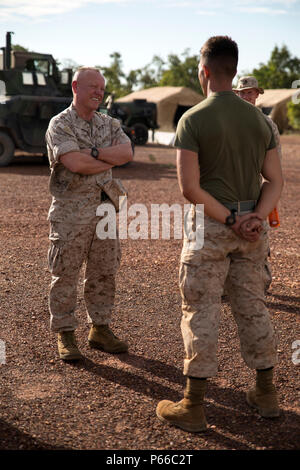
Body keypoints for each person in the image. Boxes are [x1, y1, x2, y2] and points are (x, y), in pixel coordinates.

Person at [156, 36, 283, 432]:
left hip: (211, 227)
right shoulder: (262, 121)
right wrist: (254, 219)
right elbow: (274, 180)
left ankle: (193, 406)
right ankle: (266, 394)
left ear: (205, 71)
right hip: (252, 229)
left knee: (200, 308)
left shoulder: (192, 119)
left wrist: (229, 221)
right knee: (253, 306)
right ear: (234, 68)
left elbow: (190, 188)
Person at [46, 67, 133, 361]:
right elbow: (73, 163)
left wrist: (92, 153)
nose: (99, 92)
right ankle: (66, 333)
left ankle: (100, 329)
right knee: (66, 273)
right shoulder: (60, 124)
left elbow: (127, 153)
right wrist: (104, 157)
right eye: (92, 86)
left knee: (105, 270)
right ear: (75, 87)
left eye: (102, 88)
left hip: (105, 208)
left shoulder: (108, 123)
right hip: (71, 212)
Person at [234, 75, 282, 290]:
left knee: (258, 237)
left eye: (250, 92)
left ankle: (262, 282)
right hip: (231, 188)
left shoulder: (267, 124)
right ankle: (229, 285)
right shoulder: (228, 121)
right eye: (242, 92)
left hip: (254, 188)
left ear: (257, 94)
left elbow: (275, 169)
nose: (246, 96)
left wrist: (270, 199)